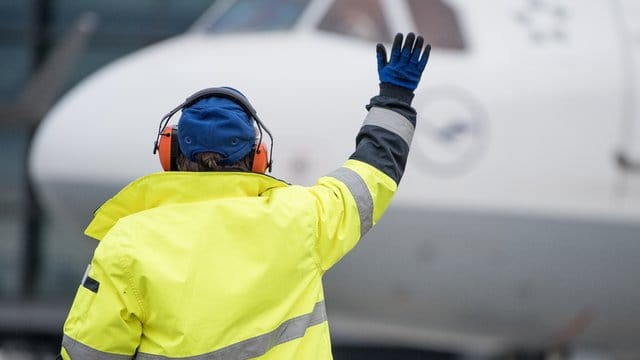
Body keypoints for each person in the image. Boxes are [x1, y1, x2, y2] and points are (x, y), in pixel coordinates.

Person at [59, 32, 431, 359]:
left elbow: (89, 353)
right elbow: (373, 174)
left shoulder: (127, 245)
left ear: (169, 153)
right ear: (258, 158)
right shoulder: (300, 219)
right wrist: (394, 99)